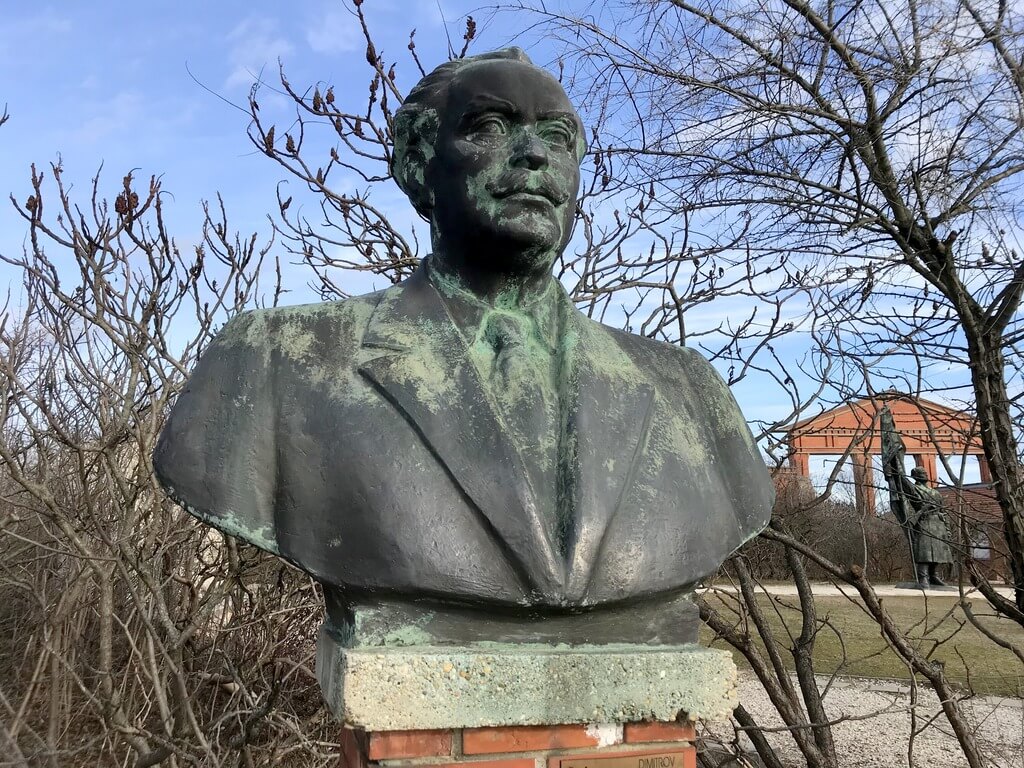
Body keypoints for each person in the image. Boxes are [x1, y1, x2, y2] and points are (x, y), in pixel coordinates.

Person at [154, 48, 773, 645]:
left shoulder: (686, 390)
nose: (534, 153)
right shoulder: (274, 360)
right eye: (491, 126)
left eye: (558, 137)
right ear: (419, 164)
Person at [898, 467, 955, 588]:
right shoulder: (914, 489)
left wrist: (947, 528)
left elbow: (943, 511)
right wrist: (897, 464)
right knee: (924, 550)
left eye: (925, 473)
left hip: (938, 523)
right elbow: (902, 480)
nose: (925, 474)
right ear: (915, 476)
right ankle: (923, 576)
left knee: (938, 551)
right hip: (924, 520)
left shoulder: (936, 493)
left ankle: (934, 575)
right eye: (921, 473)